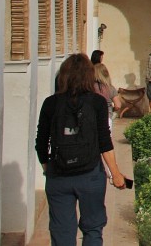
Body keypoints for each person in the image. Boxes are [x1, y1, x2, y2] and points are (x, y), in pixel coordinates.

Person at [36, 54, 126, 245]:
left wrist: (47, 168)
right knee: (93, 229)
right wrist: (115, 173)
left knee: (62, 234)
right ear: (88, 75)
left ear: (63, 75)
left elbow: (41, 142)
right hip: (90, 175)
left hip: (59, 176)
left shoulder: (50, 103)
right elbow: (104, 141)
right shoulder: (97, 102)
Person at [93, 63, 123, 128]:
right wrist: (112, 109)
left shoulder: (90, 87)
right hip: (106, 116)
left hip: (92, 117)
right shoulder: (110, 88)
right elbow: (118, 105)